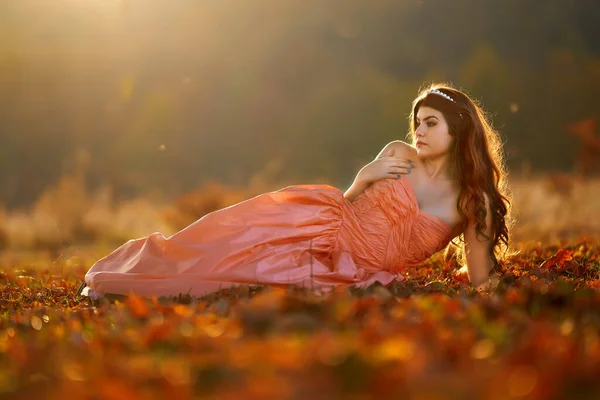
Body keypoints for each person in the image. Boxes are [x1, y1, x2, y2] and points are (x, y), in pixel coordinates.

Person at [78, 83, 513, 300]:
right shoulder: (398, 154)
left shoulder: (473, 203)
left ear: (459, 129)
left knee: (248, 281)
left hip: (356, 270)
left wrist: (506, 288)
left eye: (430, 122)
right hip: (323, 226)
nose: (418, 130)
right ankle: (130, 276)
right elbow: (350, 205)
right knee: (221, 245)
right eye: (417, 121)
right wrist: (363, 177)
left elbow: (479, 278)